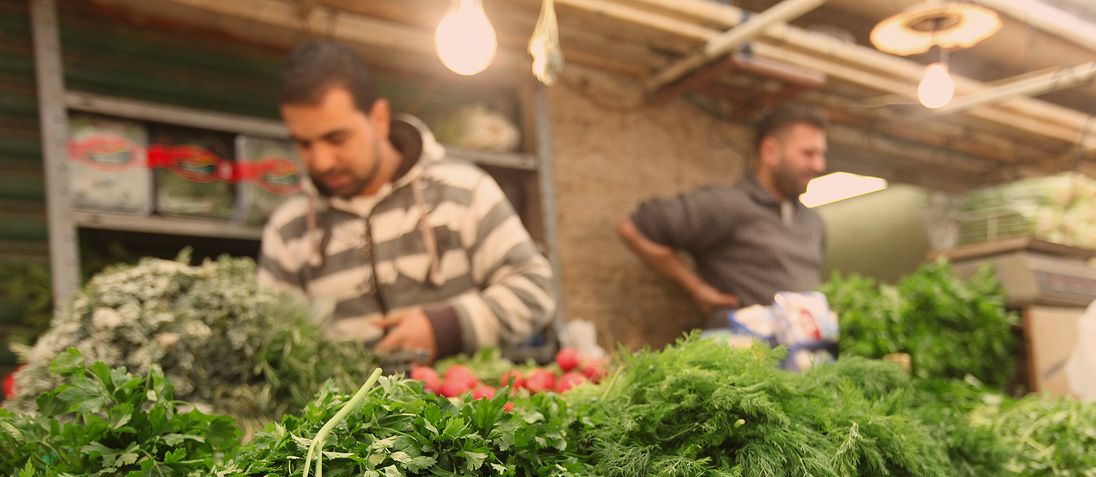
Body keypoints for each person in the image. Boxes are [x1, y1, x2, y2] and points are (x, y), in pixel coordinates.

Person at [258, 39, 556, 361]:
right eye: (304, 144)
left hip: (460, 392)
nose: (321, 161)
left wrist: (447, 328)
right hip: (348, 396)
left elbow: (536, 290)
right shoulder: (288, 230)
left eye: (336, 138)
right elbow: (272, 343)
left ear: (379, 119)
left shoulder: (463, 191)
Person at [616, 103, 828, 328]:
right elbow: (633, 228)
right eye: (808, 154)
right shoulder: (728, 205)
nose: (819, 165)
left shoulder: (813, 222)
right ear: (770, 151)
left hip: (808, 346)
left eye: (822, 154)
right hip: (744, 346)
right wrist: (697, 288)